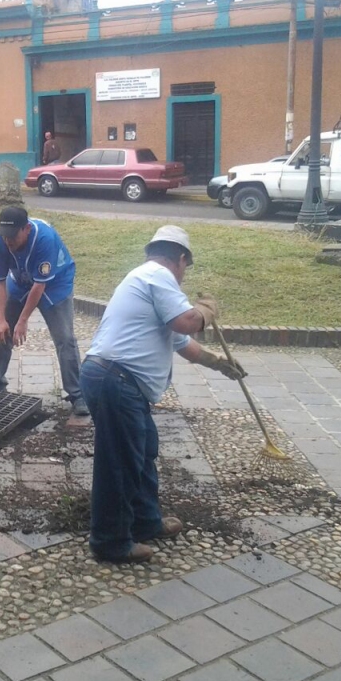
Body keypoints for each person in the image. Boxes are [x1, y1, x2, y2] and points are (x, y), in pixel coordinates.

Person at [82, 226, 246, 563]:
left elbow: (182, 342)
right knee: (121, 465)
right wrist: (205, 311)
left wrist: (219, 363)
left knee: (143, 453)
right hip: (116, 381)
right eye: (186, 267)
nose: (184, 275)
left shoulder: (148, 283)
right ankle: (110, 542)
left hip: (118, 381)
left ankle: (145, 521)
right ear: (181, 259)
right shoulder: (156, 275)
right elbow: (188, 323)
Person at [0, 206, 87, 415]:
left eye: (13, 237)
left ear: (26, 229)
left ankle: (78, 394)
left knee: (65, 338)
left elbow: (40, 285)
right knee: (0, 331)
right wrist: (2, 319)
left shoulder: (45, 239)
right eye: (5, 236)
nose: (9, 242)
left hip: (55, 284)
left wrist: (23, 319)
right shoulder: (0, 241)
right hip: (19, 281)